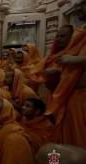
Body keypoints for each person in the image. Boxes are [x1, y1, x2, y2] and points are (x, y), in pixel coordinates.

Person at [48, 4, 86, 148]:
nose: (78, 8)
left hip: (81, 99)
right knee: (61, 141)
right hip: (69, 97)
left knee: (79, 143)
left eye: (83, 4)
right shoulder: (81, 32)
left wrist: (75, 59)